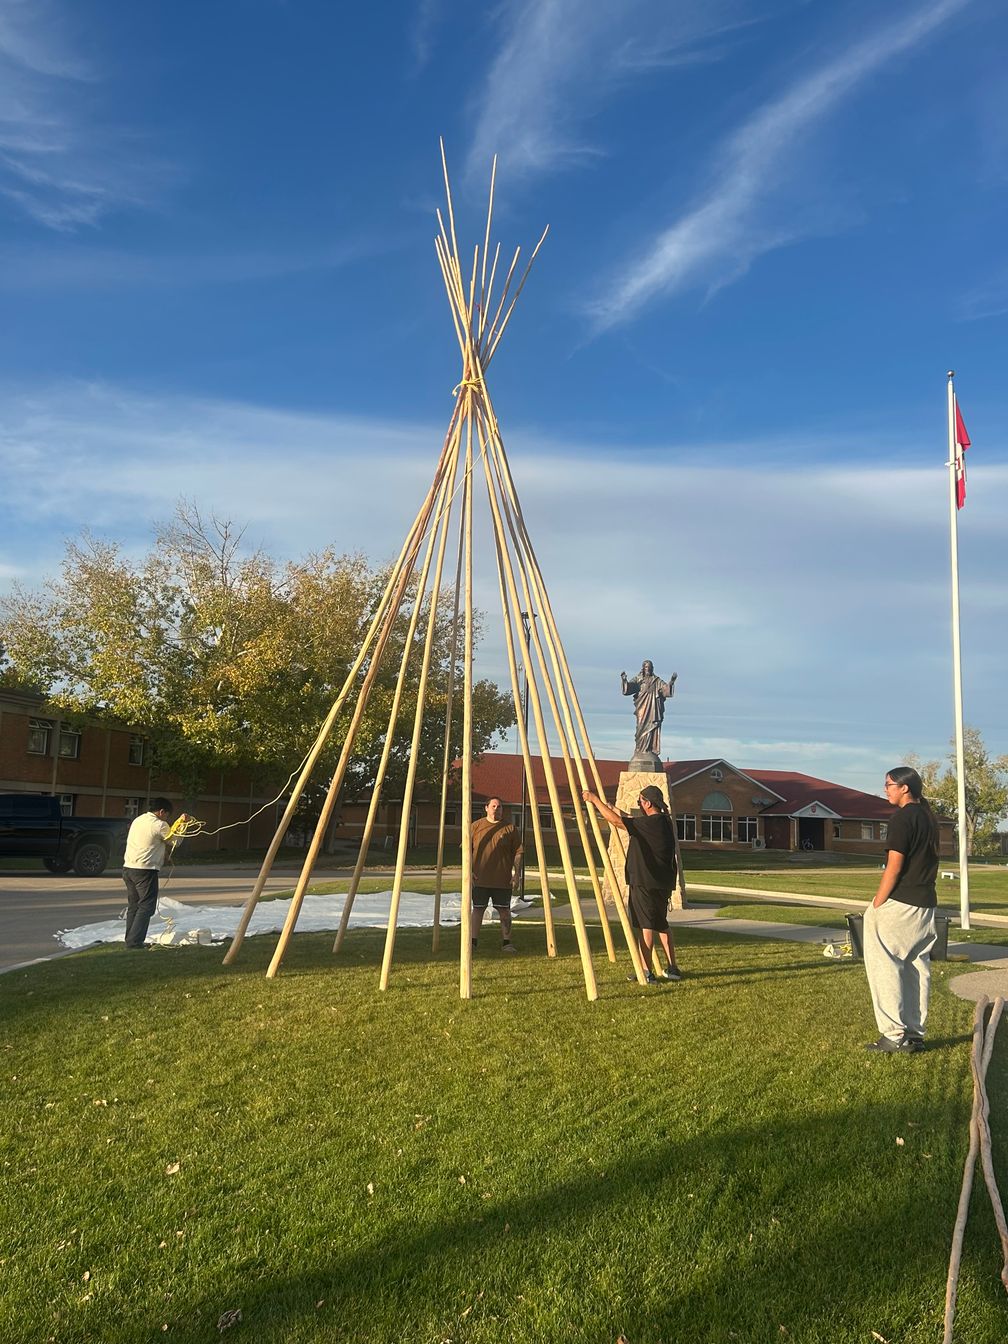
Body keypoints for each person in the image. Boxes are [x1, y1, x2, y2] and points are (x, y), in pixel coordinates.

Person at [862, 767, 940, 1053]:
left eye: (889, 785)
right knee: (916, 967)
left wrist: (877, 903)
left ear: (905, 788)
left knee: (885, 966)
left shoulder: (902, 818)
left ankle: (893, 1035)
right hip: (926, 903)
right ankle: (914, 1034)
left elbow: (894, 866)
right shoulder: (929, 817)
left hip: (900, 904)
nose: (885, 789)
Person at [582, 783, 682, 983]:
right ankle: (673, 968)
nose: (639, 804)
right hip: (661, 883)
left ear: (647, 803)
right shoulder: (663, 821)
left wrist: (594, 800)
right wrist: (613, 808)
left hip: (645, 882)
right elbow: (630, 820)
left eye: (640, 801)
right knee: (661, 924)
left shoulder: (650, 824)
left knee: (645, 926)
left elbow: (617, 822)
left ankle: (646, 972)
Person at [122, 797, 186, 949]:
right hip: (145, 870)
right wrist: (183, 825)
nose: (167, 819)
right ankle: (135, 942)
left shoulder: (139, 820)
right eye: (167, 815)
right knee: (146, 907)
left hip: (128, 868)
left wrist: (162, 852)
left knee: (134, 906)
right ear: (162, 811)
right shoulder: (159, 824)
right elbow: (175, 841)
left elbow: (150, 841)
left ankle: (130, 939)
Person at [470, 797, 523, 954]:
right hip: (480, 878)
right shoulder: (476, 826)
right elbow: (466, 850)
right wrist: (469, 871)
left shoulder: (510, 828)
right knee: (478, 909)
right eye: (493, 806)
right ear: (486, 808)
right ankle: (472, 942)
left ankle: (507, 942)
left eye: (499, 807)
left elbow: (518, 853)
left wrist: (516, 874)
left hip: (502, 879)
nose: (496, 809)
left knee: (504, 910)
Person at [621, 661, 677, 759]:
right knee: (641, 728)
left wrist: (671, 681)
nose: (648, 669)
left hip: (653, 709)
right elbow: (629, 689)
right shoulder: (638, 679)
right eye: (646, 667)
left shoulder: (657, 680)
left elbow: (665, 690)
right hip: (642, 708)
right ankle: (640, 750)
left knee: (652, 728)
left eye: (650, 667)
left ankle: (650, 750)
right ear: (643, 668)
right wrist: (624, 680)